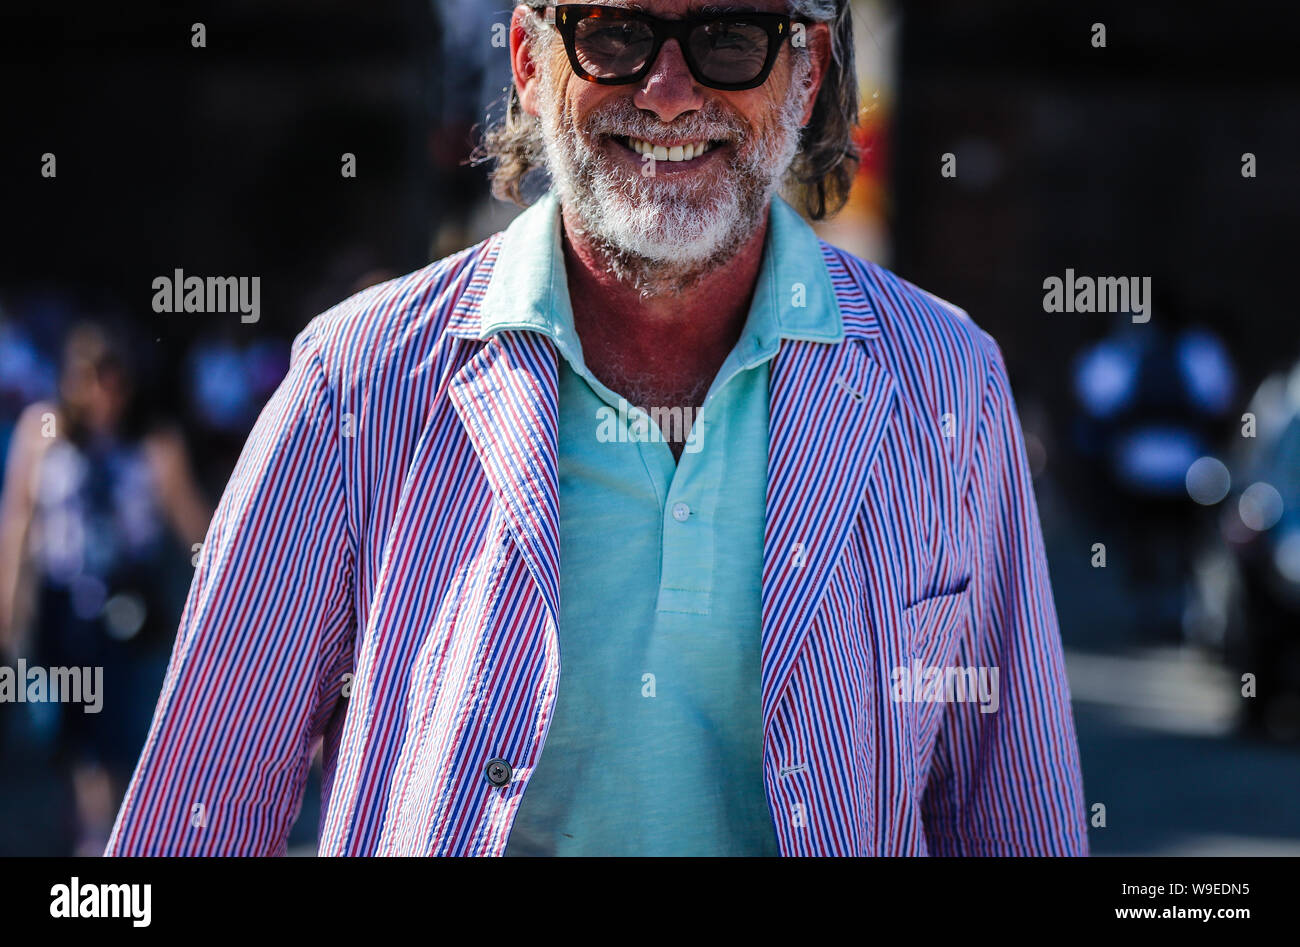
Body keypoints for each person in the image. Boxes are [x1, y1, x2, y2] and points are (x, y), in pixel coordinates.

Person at [106, 1, 1087, 856]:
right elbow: (200, 811)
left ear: (807, 72)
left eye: (731, 38)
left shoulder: (944, 382)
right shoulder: (357, 383)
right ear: (532, 64)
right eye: (611, 34)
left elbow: (1013, 814)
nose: (665, 92)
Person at [0, 322, 209, 855]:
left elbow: (194, 525)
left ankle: (112, 836)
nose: (104, 396)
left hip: (128, 607)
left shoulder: (153, 441)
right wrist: (10, 607)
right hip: (63, 603)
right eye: (92, 381)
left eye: (114, 382)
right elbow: (20, 520)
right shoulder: (42, 430)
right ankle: (90, 829)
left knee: (125, 723)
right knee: (69, 727)